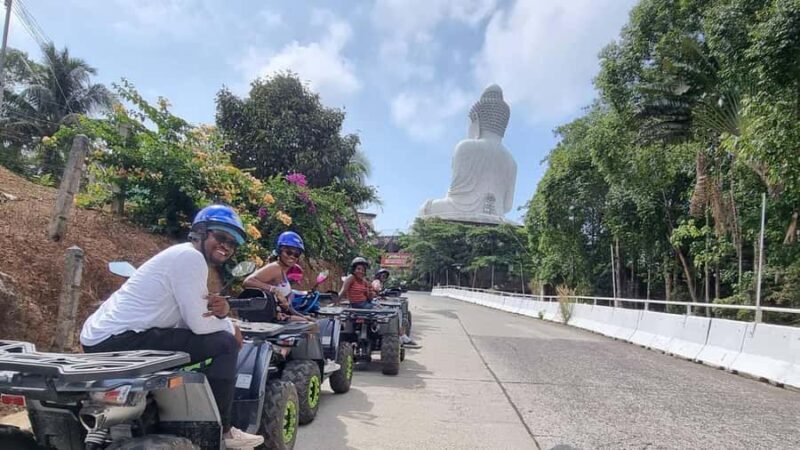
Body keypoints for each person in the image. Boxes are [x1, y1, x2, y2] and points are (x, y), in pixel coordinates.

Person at [80, 204, 264, 449]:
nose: (227, 247)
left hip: (96, 338)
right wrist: (231, 327)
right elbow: (199, 325)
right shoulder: (191, 258)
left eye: (232, 243)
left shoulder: (179, 255)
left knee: (213, 337)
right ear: (201, 233)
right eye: (220, 237)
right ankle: (224, 430)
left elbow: (187, 320)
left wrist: (222, 317)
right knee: (226, 344)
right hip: (123, 340)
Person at [243, 231, 314, 324]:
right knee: (312, 328)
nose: (292, 257)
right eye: (288, 252)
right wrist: (274, 290)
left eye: (296, 255)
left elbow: (287, 306)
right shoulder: (275, 268)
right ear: (280, 251)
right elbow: (248, 282)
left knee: (311, 323)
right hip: (271, 319)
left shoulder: (283, 271)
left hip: (280, 316)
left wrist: (302, 316)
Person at [371, 268, 421, 349]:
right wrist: (382, 292)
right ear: (378, 276)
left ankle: (401, 335)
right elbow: (376, 289)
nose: (384, 277)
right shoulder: (376, 282)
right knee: (397, 311)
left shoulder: (381, 284)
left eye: (385, 276)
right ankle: (402, 335)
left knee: (397, 308)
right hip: (376, 304)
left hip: (378, 303)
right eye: (382, 275)